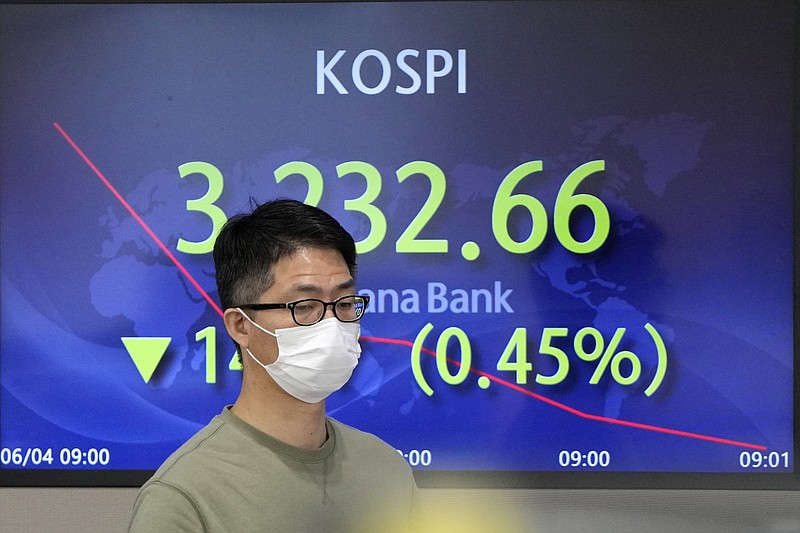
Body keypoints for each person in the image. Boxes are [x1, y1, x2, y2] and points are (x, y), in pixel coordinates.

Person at [128, 199, 417, 533]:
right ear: (240, 326)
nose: (332, 322)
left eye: (345, 302)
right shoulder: (185, 496)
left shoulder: (386, 470)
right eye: (304, 305)